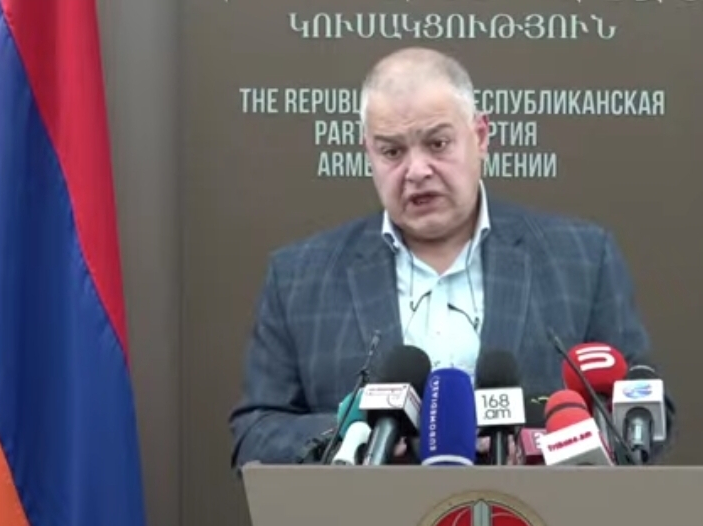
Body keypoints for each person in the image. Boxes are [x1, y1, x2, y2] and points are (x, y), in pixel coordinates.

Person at [229, 47, 672, 468]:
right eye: (392, 151)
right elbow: (256, 433)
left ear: (480, 137)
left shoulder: (582, 259)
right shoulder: (298, 277)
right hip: (363, 520)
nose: (417, 170)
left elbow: (645, 416)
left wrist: (539, 444)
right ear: (369, 153)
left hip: (539, 520)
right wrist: (362, 436)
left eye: (438, 144)